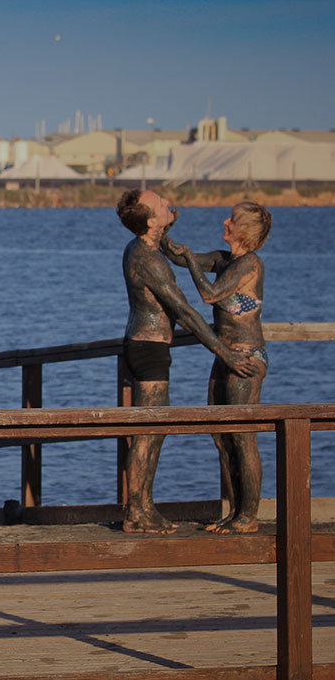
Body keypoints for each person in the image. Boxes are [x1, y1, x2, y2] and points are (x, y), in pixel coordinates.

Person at [116, 189, 262, 534]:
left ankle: (144, 509)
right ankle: (139, 511)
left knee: (157, 430)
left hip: (151, 346)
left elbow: (178, 253)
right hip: (149, 348)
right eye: (162, 204)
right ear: (151, 221)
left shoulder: (145, 247)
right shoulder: (148, 259)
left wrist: (165, 228)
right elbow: (186, 311)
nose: (170, 203)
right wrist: (224, 352)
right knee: (150, 432)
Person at [161, 201, 272, 533]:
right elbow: (183, 258)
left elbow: (210, 295)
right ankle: (234, 512)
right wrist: (165, 232)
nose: (225, 222)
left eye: (232, 220)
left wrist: (194, 264)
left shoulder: (250, 264)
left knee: (242, 436)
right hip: (225, 356)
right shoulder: (226, 261)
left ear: (244, 231)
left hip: (248, 359)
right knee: (221, 436)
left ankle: (248, 517)